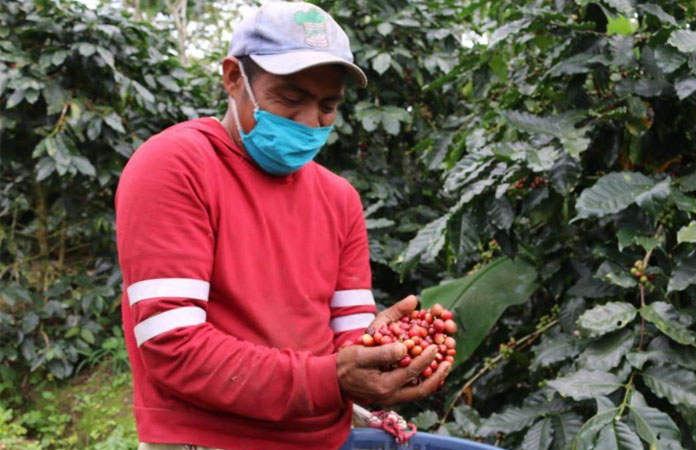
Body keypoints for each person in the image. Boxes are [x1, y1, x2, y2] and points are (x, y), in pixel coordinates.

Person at [114, 3, 450, 449]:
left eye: (328, 106)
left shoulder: (339, 199)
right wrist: (332, 376)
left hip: (323, 438)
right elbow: (172, 346)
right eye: (290, 99)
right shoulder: (176, 165)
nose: (310, 121)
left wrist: (383, 354)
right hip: (211, 440)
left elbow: (347, 342)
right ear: (233, 78)